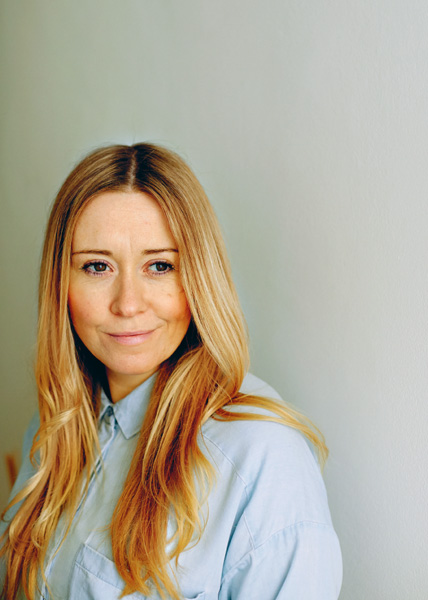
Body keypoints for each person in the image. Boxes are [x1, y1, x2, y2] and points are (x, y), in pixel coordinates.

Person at [0, 143, 342, 600]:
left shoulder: (263, 458)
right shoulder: (54, 425)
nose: (128, 304)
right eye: (97, 266)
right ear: (60, 283)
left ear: (198, 278)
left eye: (160, 266)